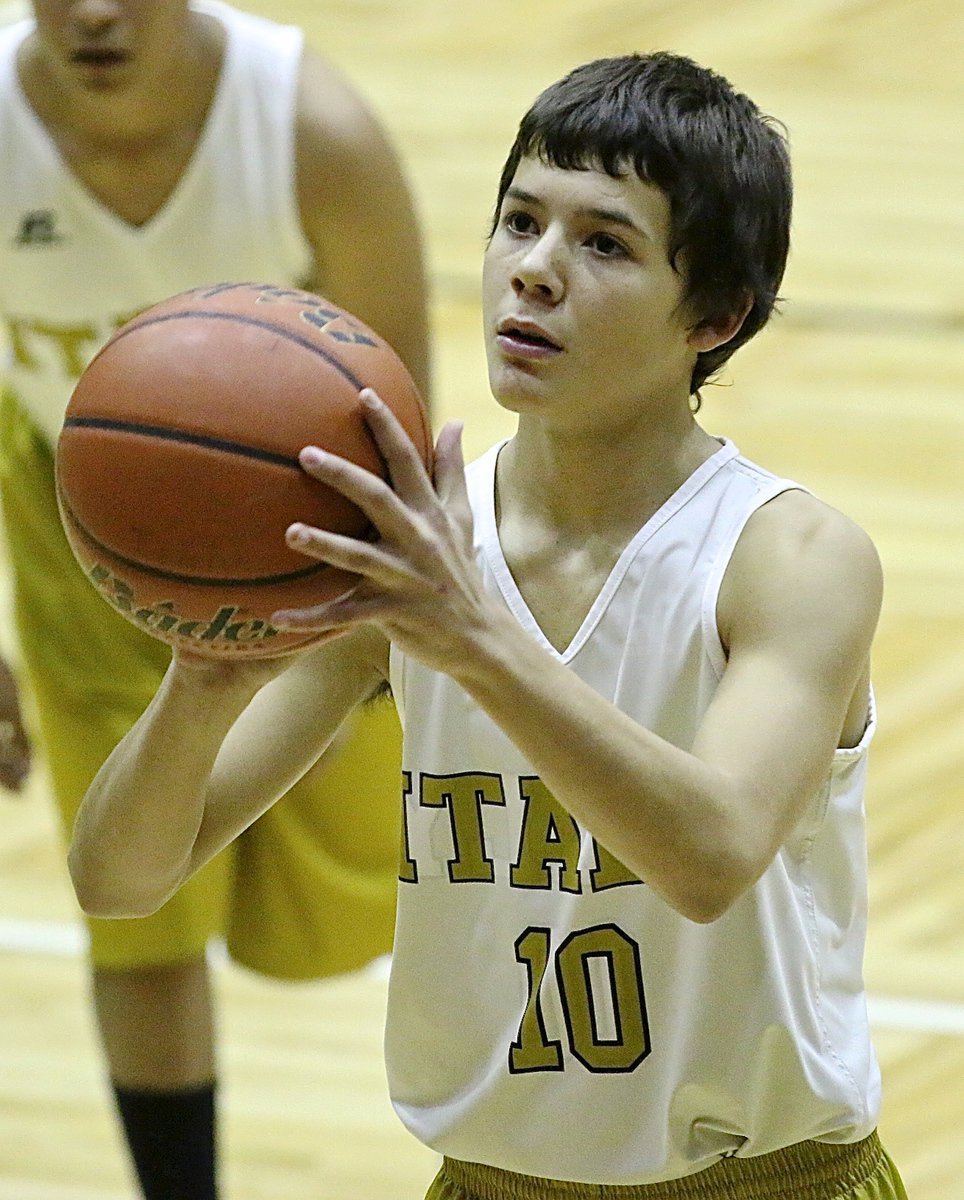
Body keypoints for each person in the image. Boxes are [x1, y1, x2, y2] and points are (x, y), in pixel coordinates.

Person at [68, 51, 908, 1200]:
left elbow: (708, 856)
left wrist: (474, 640)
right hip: (485, 1181)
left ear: (714, 315)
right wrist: (200, 684)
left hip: (772, 1181)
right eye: (519, 223)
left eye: (603, 244)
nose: (535, 272)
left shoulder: (791, 560)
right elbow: (121, 879)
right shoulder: (415, 552)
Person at [0, 1, 429, 1197]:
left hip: (302, 565)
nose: (91, 13)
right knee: (135, 922)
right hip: (76, 534)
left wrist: (379, 623)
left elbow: (400, 422)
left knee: (416, 886)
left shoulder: (310, 129)